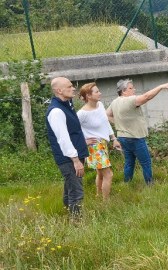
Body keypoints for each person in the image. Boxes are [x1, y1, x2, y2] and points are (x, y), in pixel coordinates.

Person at [106, 79, 168, 185]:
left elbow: (107, 115)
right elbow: (147, 97)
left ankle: (127, 183)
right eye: (131, 88)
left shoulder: (115, 102)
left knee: (129, 162)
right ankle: (150, 185)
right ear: (124, 91)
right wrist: (161, 86)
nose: (134, 90)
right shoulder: (130, 100)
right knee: (146, 162)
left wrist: (118, 124)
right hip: (135, 137)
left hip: (122, 137)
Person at [46, 77, 89, 218]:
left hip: (74, 154)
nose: (73, 88)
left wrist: (83, 142)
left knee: (70, 187)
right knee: (76, 191)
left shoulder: (66, 104)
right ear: (59, 90)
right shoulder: (56, 111)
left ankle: (66, 214)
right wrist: (75, 160)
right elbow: (63, 138)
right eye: (69, 86)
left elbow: (73, 131)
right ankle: (76, 222)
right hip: (68, 158)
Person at [77, 82, 121, 200]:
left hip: (103, 143)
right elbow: (72, 130)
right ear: (88, 96)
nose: (100, 93)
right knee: (109, 174)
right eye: (97, 92)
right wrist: (83, 142)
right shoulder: (81, 114)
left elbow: (105, 122)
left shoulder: (100, 105)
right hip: (94, 147)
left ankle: (98, 195)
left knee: (100, 173)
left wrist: (114, 138)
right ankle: (105, 202)